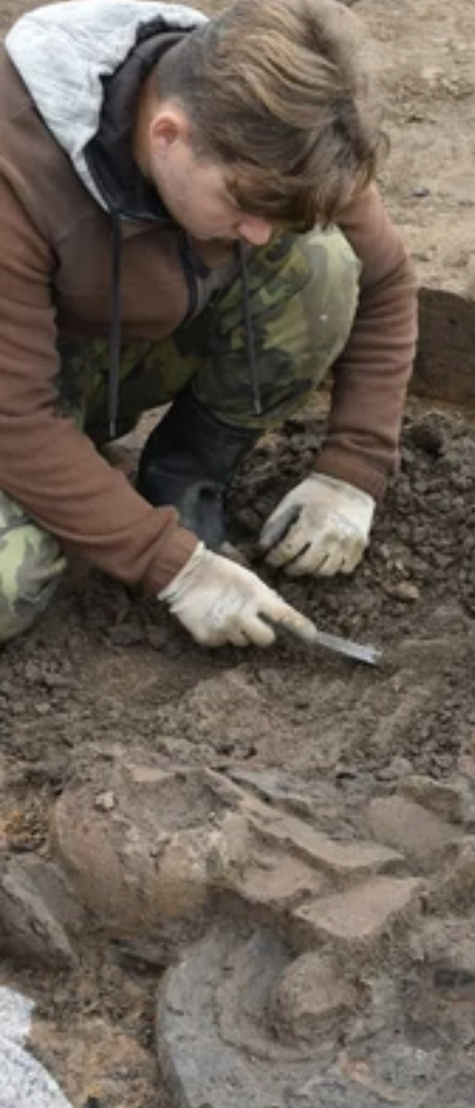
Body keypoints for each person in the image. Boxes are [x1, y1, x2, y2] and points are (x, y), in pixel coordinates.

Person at [0, 0, 417, 649]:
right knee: (10, 579)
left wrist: (353, 470)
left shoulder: (275, 128)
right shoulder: (15, 171)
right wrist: (173, 567)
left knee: (322, 264)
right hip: (13, 390)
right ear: (167, 135)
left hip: (79, 356)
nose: (258, 233)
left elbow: (385, 279)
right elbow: (15, 417)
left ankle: (183, 477)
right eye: (243, 207)